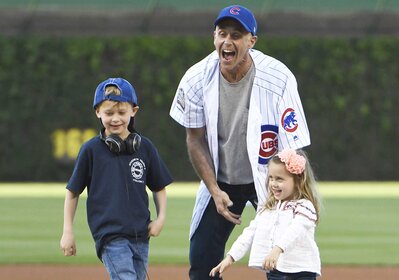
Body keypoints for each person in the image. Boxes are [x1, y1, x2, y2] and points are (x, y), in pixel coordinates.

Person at [169, 4, 311, 280]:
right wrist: (213, 189)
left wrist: (285, 194)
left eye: (237, 35)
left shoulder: (278, 77)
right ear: (214, 37)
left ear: (251, 41)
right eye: (222, 33)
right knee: (202, 263)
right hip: (221, 179)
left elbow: (292, 146)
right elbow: (194, 139)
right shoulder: (196, 78)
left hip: (271, 180)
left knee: (283, 262)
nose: (228, 41)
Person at [60, 77, 173, 280]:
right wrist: (67, 231)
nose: (115, 119)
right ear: (97, 112)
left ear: (133, 111)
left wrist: (161, 218)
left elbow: (159, 187)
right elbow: (73, 191)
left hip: (141, 235)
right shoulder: (90, 150)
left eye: (122, 112)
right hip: (110, 236)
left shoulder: (145, 147)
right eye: (108, 113)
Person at [210, 148, 321, 280]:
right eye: (271, 178)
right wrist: (230, 257)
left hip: (302, 272)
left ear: (298, 180)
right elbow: (249, 234)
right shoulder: (268, 208)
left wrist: (277, 249)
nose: (273, 184)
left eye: (279, 179)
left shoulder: (304, 206)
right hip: (275, 271)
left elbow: (296, 229)